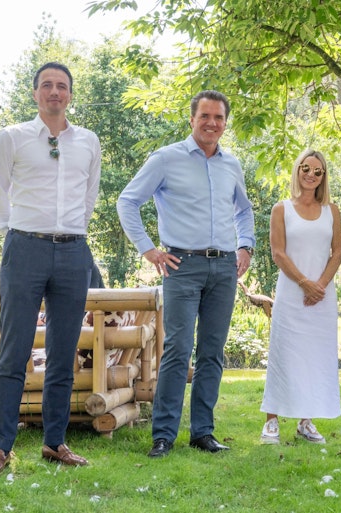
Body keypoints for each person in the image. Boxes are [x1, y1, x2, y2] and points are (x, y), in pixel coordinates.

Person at [117, 90, 255, 457]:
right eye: (205, 116)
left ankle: (202, 433)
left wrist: (246, 246)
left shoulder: (231, 164)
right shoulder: (166, 159)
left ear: (225, 123)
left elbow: (243, 210)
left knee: (212, 352)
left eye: (219, 117)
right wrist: (148, 249)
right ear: (192, 119)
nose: (212, 123)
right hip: (181, 266)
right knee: (178, 349)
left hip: (224, 267)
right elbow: (127, 201)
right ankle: (163, 435)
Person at [0, 62, 101, 474]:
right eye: (47, 85)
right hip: (25, 249)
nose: (55, 92)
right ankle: (0, 447)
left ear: (70, 94)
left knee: (63, 351)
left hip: (73, 252)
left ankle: (55, 442)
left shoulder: (88, 141)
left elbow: (89, 195)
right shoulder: (12, 137)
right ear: (35, 93)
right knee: (13, 351)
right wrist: (13, 232)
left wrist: (73, 231)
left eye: (62, 86)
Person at [259, 150, 341, 445]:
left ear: (323, 177)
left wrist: (320, 286)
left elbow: (338, 253)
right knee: (283, 354)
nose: (311, 175)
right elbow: (278, 253)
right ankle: (271, 421)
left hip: (322, 297)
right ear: (297, 170)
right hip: (292, 294)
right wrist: (305, 283)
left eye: (318, 171)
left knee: (315, 357)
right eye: (306, 168)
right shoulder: (281, 209)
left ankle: (306, 421)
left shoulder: (332, 211)